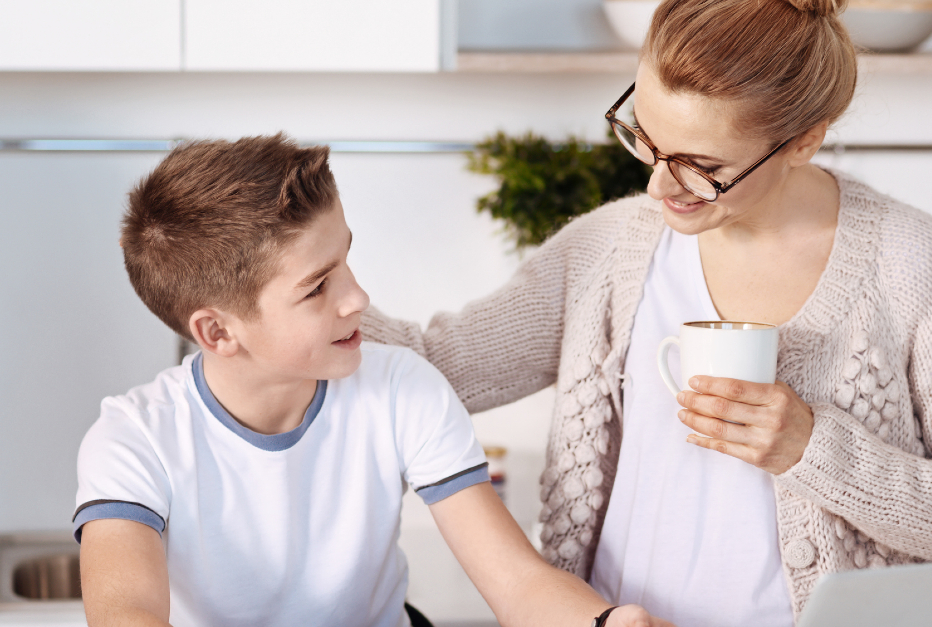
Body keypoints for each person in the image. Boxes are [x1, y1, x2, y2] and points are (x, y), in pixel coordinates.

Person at [362, 0, 932, 625]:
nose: (659, 183)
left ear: (805, 139)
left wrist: (813, 448)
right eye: (647, 139)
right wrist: (283, 281)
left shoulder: (907, 259)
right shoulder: (608, 251)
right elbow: (426, 367)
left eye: (702, 164)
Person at [73, 135, 672, 627]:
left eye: (346, 261)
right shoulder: (133, 438)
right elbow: (127, 613)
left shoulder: (402, 387)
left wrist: (603, 623)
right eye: (316, 287)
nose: (358, 298)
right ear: (218, 333)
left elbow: (516, 583)